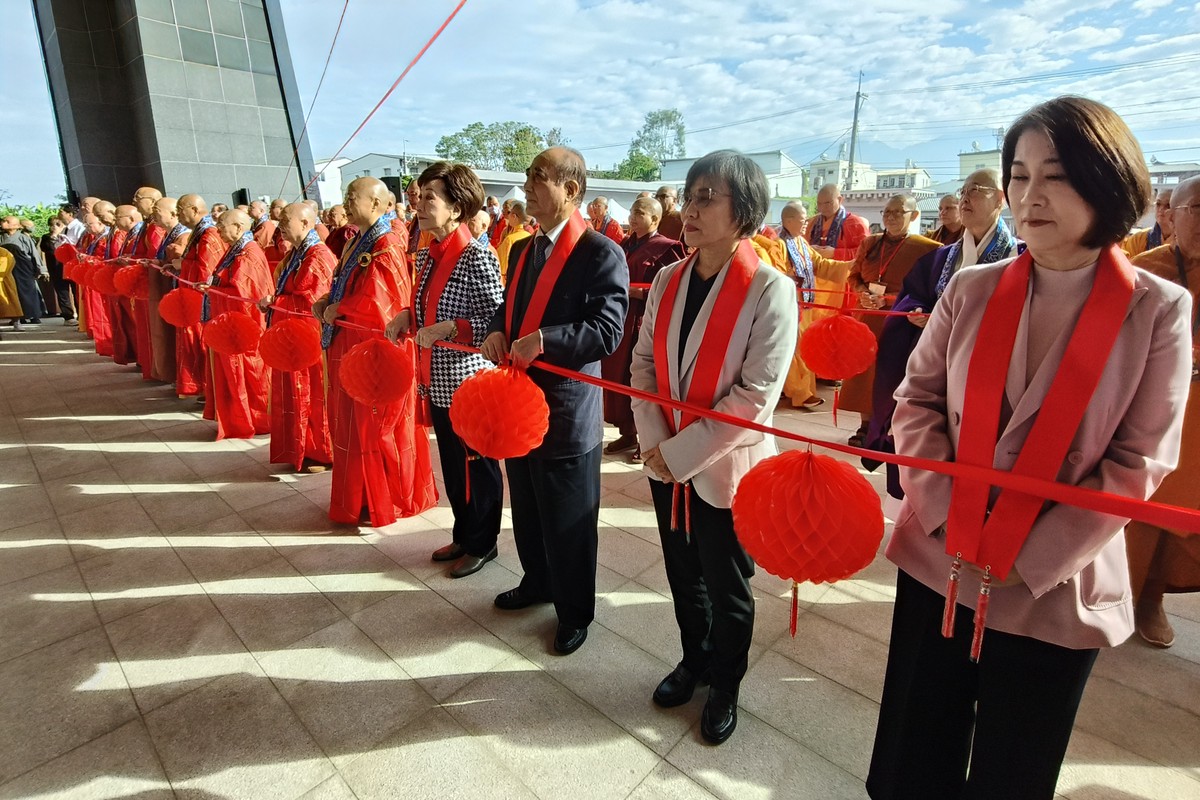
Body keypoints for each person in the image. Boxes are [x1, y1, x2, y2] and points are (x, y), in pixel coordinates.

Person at [867, 96, 1193, 800]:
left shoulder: (1158, 309)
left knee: (1013, 770)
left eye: (1058, 175)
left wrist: (1029, 555)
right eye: (1019, 175)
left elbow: (1139, 462)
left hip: (1055, 584)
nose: (1030, 195)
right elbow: (916, 402)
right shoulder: (972, 288)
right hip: (940, 560)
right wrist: (953, 517)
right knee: (911, 759)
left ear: (1108, 183)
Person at [630, 150, 797, 745]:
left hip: (725, 469)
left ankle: (726, 682)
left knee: (727, 584)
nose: (691, 209)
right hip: (663, 457)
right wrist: (654, 443)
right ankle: (694, 659)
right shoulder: (672, 279)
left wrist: (677, 455)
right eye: (690, 194)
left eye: (707, 197)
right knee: (681, 571)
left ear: (744, 211)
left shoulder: (771, 290)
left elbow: (755, 397)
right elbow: (643, 362)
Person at [480, 146, 628, 656]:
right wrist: (500, 331)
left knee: (568, 517)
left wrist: (546, 339)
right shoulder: (523, 248)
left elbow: (607, 331)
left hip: (565, 410)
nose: (527, 185)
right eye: (528, 176)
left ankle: (574, 611)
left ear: (572, 190)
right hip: (519, 403)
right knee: (526, 503)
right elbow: (508, 305)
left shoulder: (600, 252)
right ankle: (537, 581)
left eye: (538, 177)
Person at [865, 169, 1021, 494]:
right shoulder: (941, 257)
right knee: (925, 449)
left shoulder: (1021, 256)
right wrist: (915, 312)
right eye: (963, 190)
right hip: (936, 371)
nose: (965, 197)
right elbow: (914, 295)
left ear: (1002, 197)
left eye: (976, 190)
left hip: (993, 375)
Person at [386, 162, 505, 579]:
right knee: (454, 465)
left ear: (457, 208)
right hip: (437, 379)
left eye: (430, 197)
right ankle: (464, 532)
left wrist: (453, 328)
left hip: (468, 382)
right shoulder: (429, 252)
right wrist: (407, 315)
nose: (418, 204)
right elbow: (427, 304)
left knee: (477, 465)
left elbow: (497, 320)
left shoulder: (476, 255)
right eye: (419, 196)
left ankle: (483, 542)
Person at [314, 177, 437, 527]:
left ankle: (383, 498)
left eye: (354, 196)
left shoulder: (386, 244)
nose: (346, 201)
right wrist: (326, 301)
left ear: (378, 204)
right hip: (347, 345)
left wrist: (341, 308)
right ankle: (360, 496)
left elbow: (385, 303)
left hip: (371, 352)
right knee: (350, 425)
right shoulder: (356, 241)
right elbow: (344, 285)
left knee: (372, 425)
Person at [1125, 174, 1200, 648]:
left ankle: (1152, 598)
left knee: (1180, 517)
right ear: (1171, 215)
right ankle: (1119, 596)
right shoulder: (1143, 270)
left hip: (1198, 421)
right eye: (1199, 209)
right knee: (1135, 508)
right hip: (1149, 407)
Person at [840, 195, 940, 445]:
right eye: (887, 212)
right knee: (864, 373)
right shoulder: (870, 243)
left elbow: (927, 290)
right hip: (867, 316)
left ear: (914, 216)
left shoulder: (929, 248)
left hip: (899, 321)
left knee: (893, 372)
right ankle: (864, 426)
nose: (891, 217)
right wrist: (864, 293)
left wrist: (890, 300)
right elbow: (853, 276)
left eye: (898, 212)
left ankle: (890, 427)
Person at [601, 195, 685, 457]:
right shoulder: (626, 245)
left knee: (642, 377)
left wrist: (639, 294)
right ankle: (627, 433)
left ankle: (646, 440)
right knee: (619, 377)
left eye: (640, 212)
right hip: (621, 320)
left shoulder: (667, 248)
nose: (633, 217)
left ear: (655, 219)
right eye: (633, 212)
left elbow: (675, 289)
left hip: (644, 321)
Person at [261, 202, 335, 470]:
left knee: (314, 396)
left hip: (310, 341)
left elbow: (313, 303)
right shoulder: (297, 254)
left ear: (305, 223)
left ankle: (321, 451)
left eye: (285, 221)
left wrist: (276, 300)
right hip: (292, 339)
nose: (279, 226)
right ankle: (300, 449)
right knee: (294, 394)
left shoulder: (318, 256)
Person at [199, 209, 273, 440]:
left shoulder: (248, 253)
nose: (218, 228)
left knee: (248, 375)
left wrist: (213, 290)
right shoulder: (236, 249)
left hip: (244, 327)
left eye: (222, 224)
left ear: (239, 227)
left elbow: (243, 293)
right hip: (229, 324)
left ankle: (254, 421)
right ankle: (235, 419)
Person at [776, 200, 852, 409]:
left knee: (805, 348)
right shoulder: (779, 244)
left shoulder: (801, 242)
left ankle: (803, 391)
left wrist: (850, 266)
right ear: (788, 220)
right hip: (790, 306)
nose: (805, 224)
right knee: (794, 350)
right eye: (801, 220)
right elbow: (775, 273)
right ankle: (800, 393)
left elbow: (819, 265)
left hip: (806, 305)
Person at [172, 194, 224, 399]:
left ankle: (206, 388)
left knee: (202, 344)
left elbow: (206, 271)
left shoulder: (209, 234)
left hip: (202, 298)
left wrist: (182, 264)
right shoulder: (199, 232)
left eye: (180, 208)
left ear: (194, 210)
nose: (177, 214)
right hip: (193, 296)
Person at [146, 197, 186, 383]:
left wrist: (175, 264)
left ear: (173, 214)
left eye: (157, 210)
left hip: (180, 293)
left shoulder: (184, 235)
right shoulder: (167, 234)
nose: (154, 214)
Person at [0, 216, 47, 326]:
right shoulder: (1, 238)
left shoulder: (24, 238)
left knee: (28, 290)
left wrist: (41, 269)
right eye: (3, 221)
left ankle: (34, 315)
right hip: (7, 269)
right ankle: (16, 316)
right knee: (12, 292)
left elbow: (34, 254)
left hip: (24, 268)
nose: (3, 223)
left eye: (7, 221)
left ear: (16, 226)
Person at [806, 183, 870, 260]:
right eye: (819, 204)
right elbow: (799, 247)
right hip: (815, 270)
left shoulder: (855, 223)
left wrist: (835, 253)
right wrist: (808, 249)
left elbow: (867, 252)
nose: (822, 208)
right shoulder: (810, 223)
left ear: (840, 200)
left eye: (828, 203)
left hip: (844, 271)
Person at [40, 219, 76, 324]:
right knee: (62, 292)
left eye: (58, 224)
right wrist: (54, 236)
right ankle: (68, 316)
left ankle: (80, 315)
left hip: (69, 266)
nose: (54, 226)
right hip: (56, 268)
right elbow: (48, 249)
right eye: (52, 224)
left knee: (75, 291)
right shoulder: (46, 237)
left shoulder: (68, 234)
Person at [1122, 188, 1174, 257]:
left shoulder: (1185, 242)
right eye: (1158, 204)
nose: (1161, 209)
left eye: (1168, 205)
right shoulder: (1138, 238)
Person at [496, 201, 533, 284]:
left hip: (508, 281)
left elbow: (501, 267)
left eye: (509, 213)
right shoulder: (529, 236)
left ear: (514, 216)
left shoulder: (510, 239)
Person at [0, 247, 24, 329]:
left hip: (5, 281)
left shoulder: (3, 252)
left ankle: (16, 322)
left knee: (12, 303)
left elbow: (3, 268)